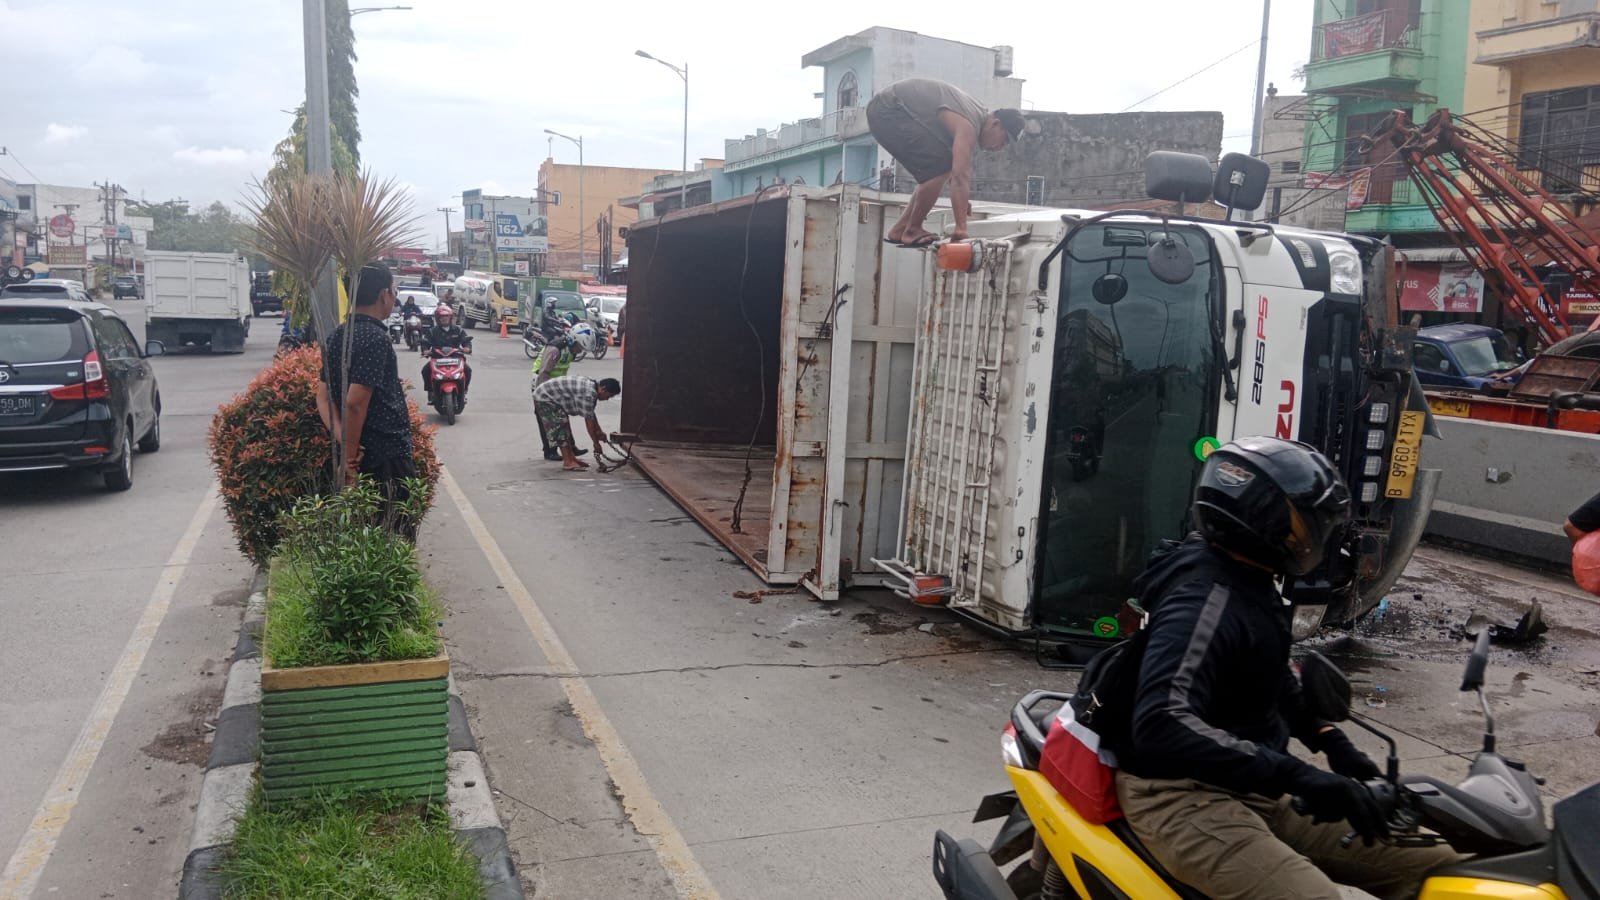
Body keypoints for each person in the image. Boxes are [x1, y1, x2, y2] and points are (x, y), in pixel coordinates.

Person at [1114, 437, 1458, 900]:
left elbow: (1262, 672)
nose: (1318, 537)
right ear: (1264, 522)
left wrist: (1328, 740)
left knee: (1440, 869)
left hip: (1253, 784)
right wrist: (1301, 776)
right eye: (1309, 524)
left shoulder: (1249, 583)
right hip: (1181, 795)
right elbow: (1161, 722)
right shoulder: (1204, 601)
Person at [314, 264, 416, 531]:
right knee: (393, 534)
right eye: (394, 291)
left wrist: (342, 437)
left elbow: (323, 398)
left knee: (362, 534)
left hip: (358, 450)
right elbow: (355, 401)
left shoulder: (338, 336)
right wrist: (350, 458)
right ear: (384, 294)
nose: (394, 297)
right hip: (384, 458)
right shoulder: (374, 338)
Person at [865, 78, 1025, 247]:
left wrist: (962, 202)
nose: (1001, 147)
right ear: (996, 124)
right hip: (889, 109)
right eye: (1005, 140)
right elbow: (959, 177)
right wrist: (961, 229)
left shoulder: (976, 114)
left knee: (940, 167)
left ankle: (901, 228)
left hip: (887, 108)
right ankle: (912, 230)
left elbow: (955, 173)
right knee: (938, 169)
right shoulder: (969, 125)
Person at [532, 375, 620, 471]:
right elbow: (589, 421)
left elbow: (590, 413)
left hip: (550, 395)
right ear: (603, 389)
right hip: (545, 398)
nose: (607, 399)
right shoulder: (588, 394)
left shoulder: (592, 386)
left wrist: (599, 431)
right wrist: (595, 443)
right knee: (560, 428)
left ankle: (571, 458)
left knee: (565, 426)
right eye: (609, 395)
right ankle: (568, 462)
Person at [531, 336, 585, 461]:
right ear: (574, 342)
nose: (580, 351)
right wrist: (543, 395)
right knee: (547, 419)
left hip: (557, 386)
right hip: (542, 385)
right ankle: (550, 450)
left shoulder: (571, 351)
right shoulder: (555, 350)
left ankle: (571, 447)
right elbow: (543, 373)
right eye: (580, 348)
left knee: (563, 415)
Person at [420, 303, 473, 401]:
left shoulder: (458, 330)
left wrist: (467, 348)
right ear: (437, 318)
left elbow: (466, 341)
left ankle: (464, 391)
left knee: (468, 370)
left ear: (450, 317)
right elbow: (425, 342)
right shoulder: (432, 331)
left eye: (446, 316)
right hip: (437, 358)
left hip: (455, 357)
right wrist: (425, 350)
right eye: (441, 317)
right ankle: (430, 391)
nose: (444, 318)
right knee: (425, 370)